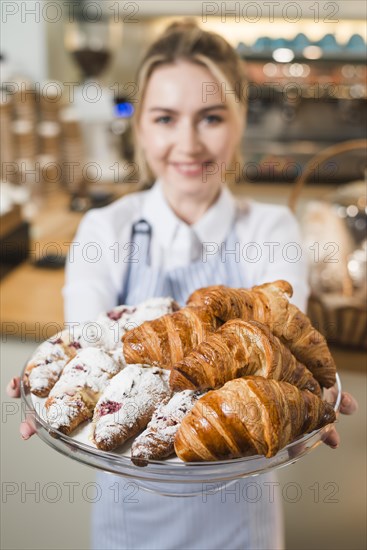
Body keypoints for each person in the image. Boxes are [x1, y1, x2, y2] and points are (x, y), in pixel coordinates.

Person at [8, 20, 357, 550]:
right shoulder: (107, 230)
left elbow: (283, 354)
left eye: (211, 117)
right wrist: (52, 386)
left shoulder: (270, 230)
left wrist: (308, 399)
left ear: (239, 120)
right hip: (129, 514)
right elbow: (85, 346)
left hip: (243, 518)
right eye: (165, 118)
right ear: (141, 128)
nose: (188, 143)